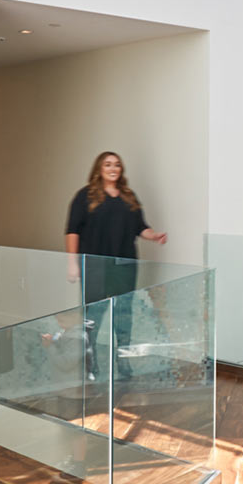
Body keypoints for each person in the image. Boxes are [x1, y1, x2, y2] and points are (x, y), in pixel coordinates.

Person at [64, 152, 166, 380]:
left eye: (117, 165)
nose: (113, 168)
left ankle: (124, 362)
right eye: (108, 164)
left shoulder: (129, 197)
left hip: (124, 265)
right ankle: (90, 362)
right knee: (93, 316)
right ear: (98, 169)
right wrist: (72, 263)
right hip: (95, 266)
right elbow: (72, 231)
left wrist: (154, 235)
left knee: (123, 315)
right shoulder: (85, 197)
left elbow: (141, 227)